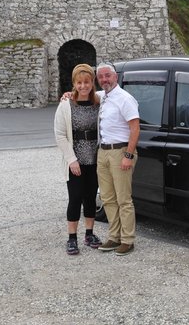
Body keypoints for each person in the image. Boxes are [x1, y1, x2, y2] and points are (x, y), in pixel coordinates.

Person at [54, 63, 102, 255]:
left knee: (91, 197)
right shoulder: (66, 104)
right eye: (79, 82)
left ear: (92, 82)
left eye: (87, 82)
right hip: (75, 160)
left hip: (94, 158)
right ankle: (72, 238)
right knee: (75, 198)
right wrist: (71, 159)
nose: (83, 86)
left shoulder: (99, 101)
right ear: (74, 83)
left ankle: (89, 233)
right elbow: (59, 134)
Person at [95, 62, 140, 256]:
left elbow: (135, 128)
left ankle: (128, 239)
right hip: (103, 151)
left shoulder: (125, 99)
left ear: (116, 77)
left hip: (120, 151)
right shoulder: (102, 96)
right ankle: (114, 236)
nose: (104, 79)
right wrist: (68, 94)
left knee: (123, 199)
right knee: (107, 198)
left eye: (108, 76)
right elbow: (83, 93)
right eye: (101, 77)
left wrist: (128, 156)